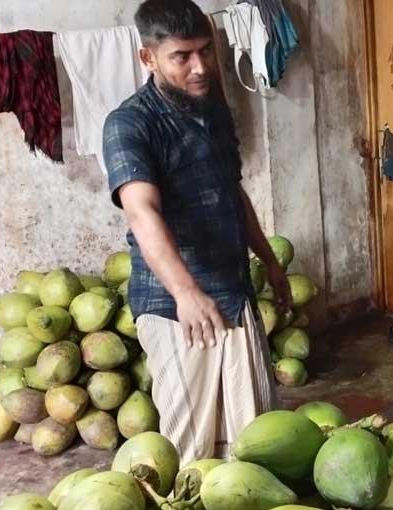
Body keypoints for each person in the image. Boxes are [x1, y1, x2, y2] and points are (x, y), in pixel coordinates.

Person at [103, 0, 289, 466]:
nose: (200, 67)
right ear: (148, 58)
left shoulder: (214, 109)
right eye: (182, 57)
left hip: (232, 290)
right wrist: (186, 292)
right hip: (174, 307)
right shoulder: (130, 124)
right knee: (191, 449)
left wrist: (268, 260)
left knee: (256, 441)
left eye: (206, 51)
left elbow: (233, 193)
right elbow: (142, 212)